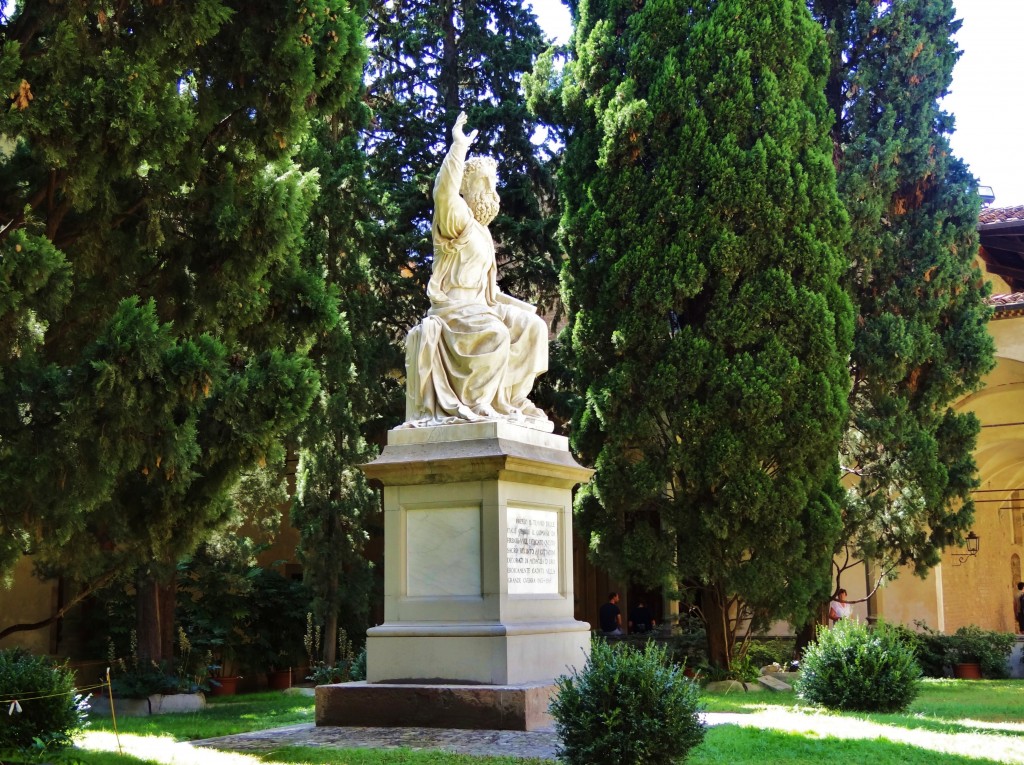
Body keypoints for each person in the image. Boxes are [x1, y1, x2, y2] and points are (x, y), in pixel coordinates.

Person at [404, 111, 549, 426]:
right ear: (464, 189)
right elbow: (443, 193)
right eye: (482, 183)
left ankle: (512, 399)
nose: (489, 190)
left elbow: (491, 293)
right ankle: (481, 402)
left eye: (491, 183)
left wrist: (525, 309)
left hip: (482, 306)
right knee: (495, 334)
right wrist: (459, 148)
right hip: (455, 309)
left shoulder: (484, 234)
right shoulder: (456, 221)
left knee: (534, 328)